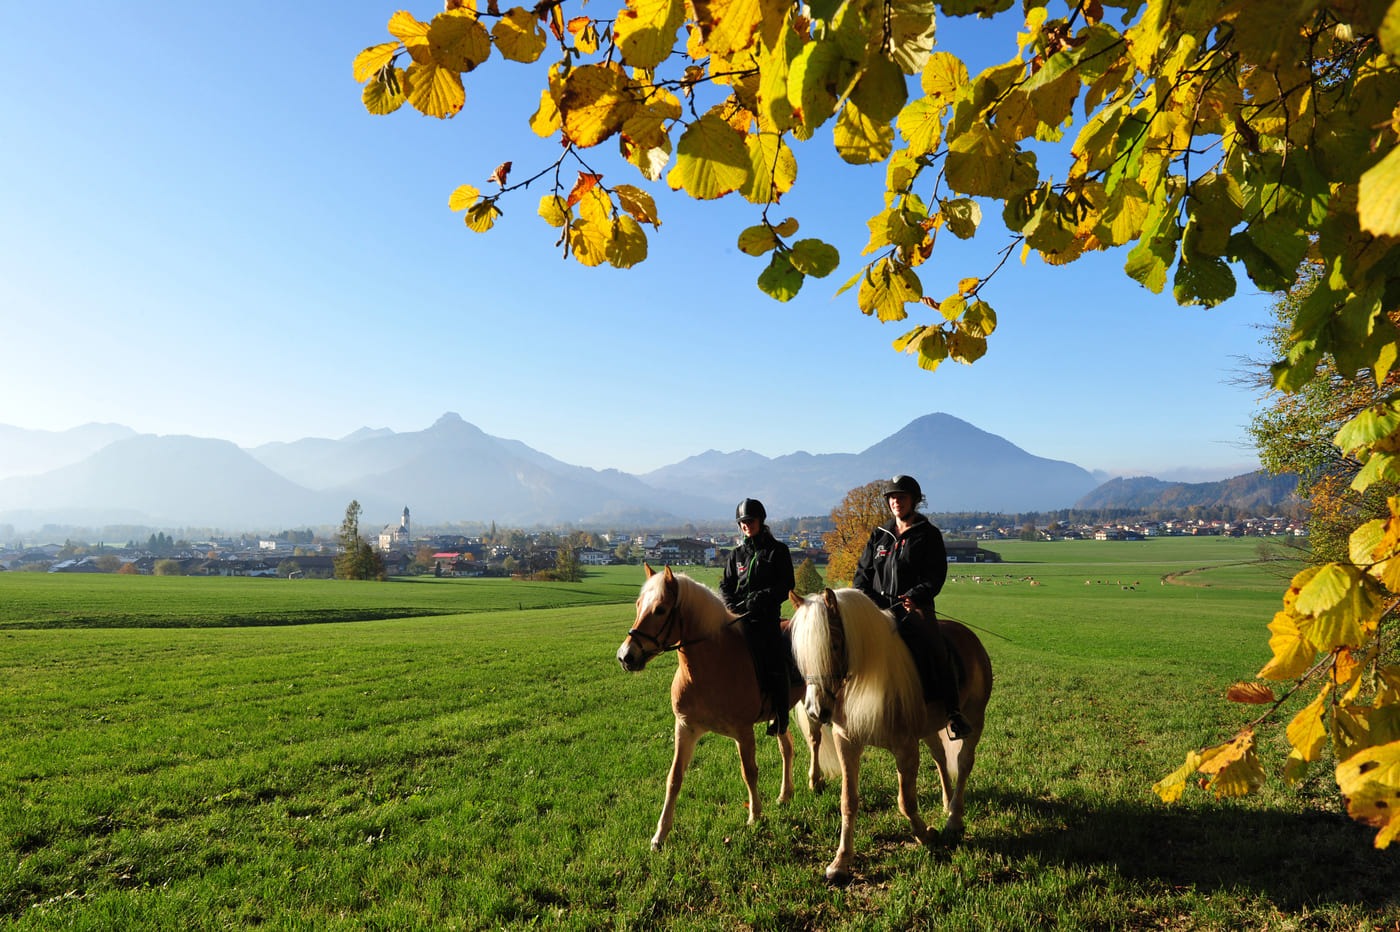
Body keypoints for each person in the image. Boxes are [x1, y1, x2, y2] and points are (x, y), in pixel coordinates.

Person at [853, 475, 973, 739]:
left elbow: (935, 575)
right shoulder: (879, 535)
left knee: (934, 647)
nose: (896, 502)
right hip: (878, 610)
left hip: (913, 609)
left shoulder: (928, 535)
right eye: (892, 498)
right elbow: (862, 574)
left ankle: (952, 712)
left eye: (902, 497)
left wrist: (916, 595)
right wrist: (866, 601)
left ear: (915, 501)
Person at [720, 498, 796, 736]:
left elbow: (787, 585)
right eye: (742, 522)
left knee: (775, 660)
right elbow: (726, 584)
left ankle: (781, 716)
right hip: (738, 619)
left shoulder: (778, 551)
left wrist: (763, 597)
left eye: (750, 521)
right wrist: (730, 602)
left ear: (760, 521)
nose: (746, 526)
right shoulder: (736, 555)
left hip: (765, 620)